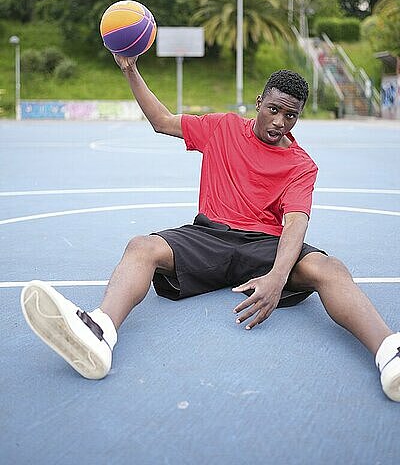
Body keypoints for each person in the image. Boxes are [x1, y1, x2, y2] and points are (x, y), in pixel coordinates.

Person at [21, 58, 400, 402]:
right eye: (273, 110)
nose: (279, 122)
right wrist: (130, 70)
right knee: (142, 246)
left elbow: (295, 224)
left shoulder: (302, 165)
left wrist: (276, 278)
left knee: (330, 269)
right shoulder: (222, 128)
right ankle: (100, 332)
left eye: (290, 116)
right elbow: (162, 122)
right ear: (258, 102)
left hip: (263, 246)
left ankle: (389, 354)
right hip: (208, 236)